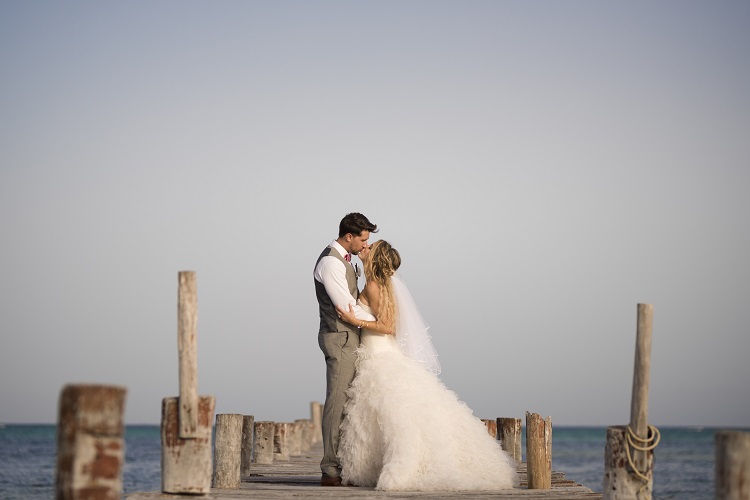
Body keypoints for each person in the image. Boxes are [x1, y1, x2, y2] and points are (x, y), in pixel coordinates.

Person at [335, 240, 519, 491]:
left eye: (369, 247)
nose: (364, 249)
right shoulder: (382, 284)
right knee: (376, 415)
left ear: (374, 257)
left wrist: (354, 320)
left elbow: (388, 325)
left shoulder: (375, 286)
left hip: (378, 353)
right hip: (377, 351)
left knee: (386, 412)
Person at [313, 212, 377, 487]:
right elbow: (346, 307)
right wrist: (384, 323)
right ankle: (329, 469)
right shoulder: (330, 262)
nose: (365, 246)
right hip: (339, 338)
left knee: (349, 403)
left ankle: (346, 462)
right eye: (362, 240)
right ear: (348, 236)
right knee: (337, 402)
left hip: (351, 337)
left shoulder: (347, 261)